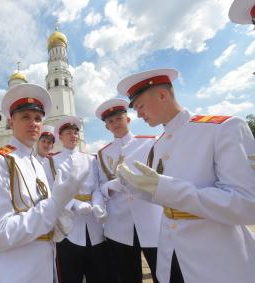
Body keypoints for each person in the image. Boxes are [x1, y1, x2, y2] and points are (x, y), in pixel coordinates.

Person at [116, 68, 255, 283]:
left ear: (163, 95)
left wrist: (165, 187)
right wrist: (134, 185)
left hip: (216, 260)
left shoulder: (222, 128)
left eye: (140, 106)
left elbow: (247, 204)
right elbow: (162, 196)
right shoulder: (158, 144)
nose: (139, 114)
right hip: (170, 256)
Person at [0, 83, 88, 283]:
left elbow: (48, 220)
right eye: (25, 117)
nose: (33, 123)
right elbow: (0, 234)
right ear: (11, 123)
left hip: (42, 264)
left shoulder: (36, 162)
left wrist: (62, 211)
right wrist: (55, 203)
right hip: (11, 270)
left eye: (37, 118)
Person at [95, 98, 161, 283]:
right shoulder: (102, 153)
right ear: (107, 127)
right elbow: (100, 186)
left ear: (128, 119)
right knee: (127, 276)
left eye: (119, 118)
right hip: (119, 225)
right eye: (110, 121)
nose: (115, 123)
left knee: (162, 274)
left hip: (151, 219)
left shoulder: (150, 142)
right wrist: (112, 185)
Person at [44, 116, 108, 283]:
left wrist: (98, 203)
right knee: (70, 275)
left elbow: (97, 187)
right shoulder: (51, 162)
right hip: (68, 228)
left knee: (99, 274)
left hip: (94, 226)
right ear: (61, 137)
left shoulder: (91, 159)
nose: (73, 136)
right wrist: (74, 203)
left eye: (75, 133)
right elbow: (51, 192)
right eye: (68, 133)